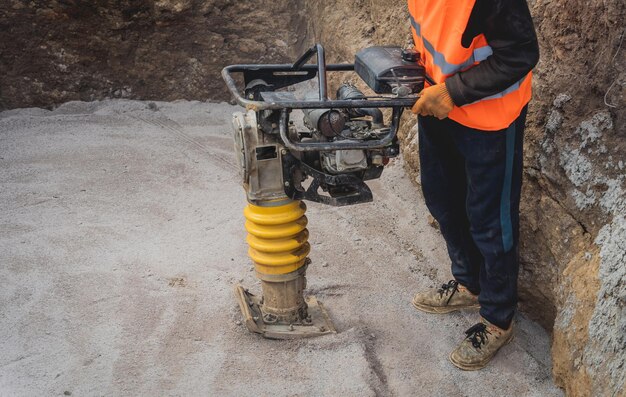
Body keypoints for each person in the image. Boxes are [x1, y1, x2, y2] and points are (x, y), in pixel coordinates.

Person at [408, 0, 539, 370]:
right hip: (438, 104)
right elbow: (434, 33)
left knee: (490, 222)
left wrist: (453, 93)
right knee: (442, 199)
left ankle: (498, 319)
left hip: (490, 119)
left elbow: (521, 54)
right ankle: (468, 284)